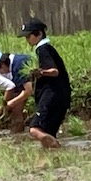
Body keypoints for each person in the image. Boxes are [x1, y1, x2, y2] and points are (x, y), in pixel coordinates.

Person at [19, 17, 71, 149]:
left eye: (28, 36)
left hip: (52, 96)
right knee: (47, 133)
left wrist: (40, 72)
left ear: (39, 34)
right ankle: (55, 159)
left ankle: (59, 150)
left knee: (34, 129)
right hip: (60, 96)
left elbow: (54, 71)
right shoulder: (46, 48)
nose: (27, 40)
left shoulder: (42, 49)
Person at [0, 52, 34, 133]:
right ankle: (18, 131)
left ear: (2, 65)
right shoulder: (14, 64)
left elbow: (29, 90)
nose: (0, 73)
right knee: (16, 106)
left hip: (48, 89)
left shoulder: (19, 66)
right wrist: (3, 105)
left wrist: (12, 103)